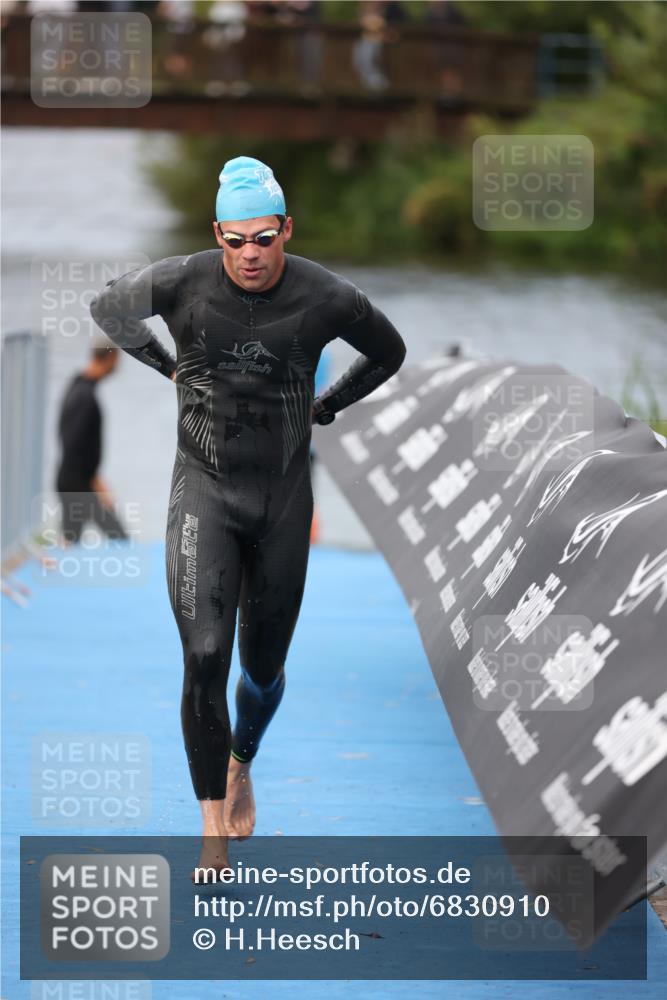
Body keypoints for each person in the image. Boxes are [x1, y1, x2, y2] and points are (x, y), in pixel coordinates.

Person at [89, 155, 406, 873]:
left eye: (264, 237)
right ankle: (208, 829)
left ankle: (241, 760)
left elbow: (390, 353)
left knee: (262, 669)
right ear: (217, 234)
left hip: (283, 500)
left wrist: (329, 404)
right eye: (235, 240)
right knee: (204, 655)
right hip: (203, 489)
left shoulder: (327, 296)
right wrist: (165, 364)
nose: (250, 254)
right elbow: (107, 307)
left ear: (286, 229)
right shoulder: (179, 280)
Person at [55, 341, 128, 544]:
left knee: (70, 540)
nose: (118, 367)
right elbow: (73, 444)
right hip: (79, 484)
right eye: (118, 360)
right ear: (111, 358)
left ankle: (58, 567)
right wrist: (96, 483)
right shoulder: (85, 398)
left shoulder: (77, 384)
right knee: (119, 538)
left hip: (70, 479)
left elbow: (64, 435)